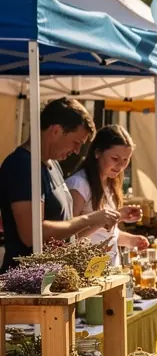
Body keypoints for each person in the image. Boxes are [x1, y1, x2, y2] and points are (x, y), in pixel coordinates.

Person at [0, 97, 115, 272]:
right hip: (28, 285)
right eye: (76, 142)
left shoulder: (53, 165)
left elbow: (65, 227)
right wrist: (89, 218)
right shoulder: (23, 165)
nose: (77, 151)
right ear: (55, 131)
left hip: (54, 280)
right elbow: (31, 234)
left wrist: (96, 224)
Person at [66, 124, 148, 261]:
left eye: (126, 160)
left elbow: (105, 235)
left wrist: (132, 241)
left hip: (109, 271)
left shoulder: (111, 184)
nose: (121, 166)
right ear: (97, 153)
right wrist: (104, 220)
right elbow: (69, 237)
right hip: (85, 271)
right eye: (115, 159)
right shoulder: (79, 184)